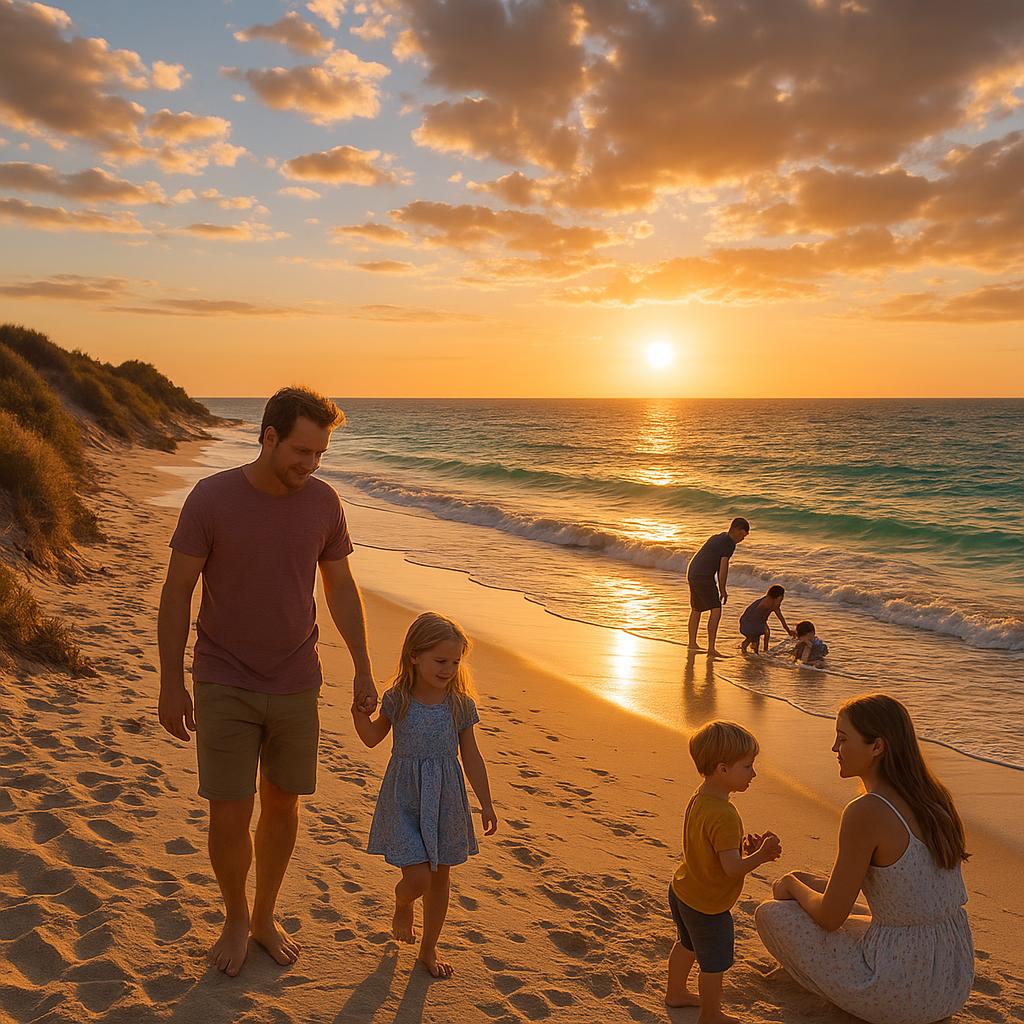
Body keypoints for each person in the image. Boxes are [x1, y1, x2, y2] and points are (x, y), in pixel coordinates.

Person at [157, 387, 378, 977]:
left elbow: (340, 588)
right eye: (302, 451)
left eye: (320, 455)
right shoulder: (211, 499)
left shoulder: (324, 503)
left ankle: (263, 915)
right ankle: (233, 916)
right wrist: (170, 681)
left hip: (296, 679)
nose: (310, 465)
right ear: (269, 436)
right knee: (229, 811)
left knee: (283, 805)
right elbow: (177, 592)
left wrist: (361, 664)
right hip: (223, 676)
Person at [755, 693, 974, 1024]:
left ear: (877, 747)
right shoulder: (934, 797)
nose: (834, 749)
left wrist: (788, 883)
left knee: (771, 912)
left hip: (903, 989)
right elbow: (903, 894)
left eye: (842, 739)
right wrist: (803, 883)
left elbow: (830, 917)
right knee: (808, 881)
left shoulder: (867, 811)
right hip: (953, 977)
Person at [352, 612, 498, 979]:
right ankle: (403, 902)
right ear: (414, 656)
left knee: (441, 877)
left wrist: (486, 802)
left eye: (454, 661)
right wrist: (359, 714)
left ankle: (428, 949)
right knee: (418, 879)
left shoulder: (459, 704)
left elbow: (472, 757)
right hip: (403, 798)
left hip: (446, 800)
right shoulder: (397, 699)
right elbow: (372, 738)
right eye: (440, 660)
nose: (448, 669)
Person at [666, 720, 782, 1020]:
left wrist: (745, 849)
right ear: (723, 769)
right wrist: (762, 854)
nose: (754, 773)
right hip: (708, 904)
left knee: (686, 944)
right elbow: (731, 870)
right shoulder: (726, 814)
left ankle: (676, 992)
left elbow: (710, 850)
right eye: (747, 766)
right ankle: (711, 1015)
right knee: (713, 964)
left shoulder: (700, 797)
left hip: (683, 890)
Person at [686, 518, 749, 657]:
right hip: (703, 576)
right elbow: (723, 569)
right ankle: (711, 649)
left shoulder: (719, 537)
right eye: (743, 536)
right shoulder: (729, 544)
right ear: (738, 531)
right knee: (716, 609)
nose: (742, 539)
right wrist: (723, 589)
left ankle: (692, 644)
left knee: (696, 609)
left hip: (693, 572)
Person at [738, 585, 794, 655]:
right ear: (776, 598)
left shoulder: (768, 601)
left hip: (746, 622)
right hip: (750, 624)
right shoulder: (767, 604)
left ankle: (761, 649)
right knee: (762, 634)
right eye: (780, 600)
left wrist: (788, 631)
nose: (780, 602)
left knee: (761, 634)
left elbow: (781, 619)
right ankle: (763, 650)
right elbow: (755, 617)